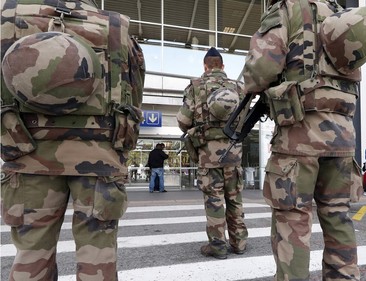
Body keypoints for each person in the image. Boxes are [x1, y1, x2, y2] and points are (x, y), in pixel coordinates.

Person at [0, 0, 145, 280]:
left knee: (31, 253)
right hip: (99, 157)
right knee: (98, 255)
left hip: (27, 152)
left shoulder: (7, 15)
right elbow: (134, 92)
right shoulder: (116, 24)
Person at [242, 0, 364, 279]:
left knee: (293, 220)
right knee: (338, 216)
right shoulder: (339, 13)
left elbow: (259, 72)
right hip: (343, 137)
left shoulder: (287, 9)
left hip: (299, 134)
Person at [176, 47, 248, 259]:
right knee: (235, 198)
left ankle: (218, 246)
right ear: (223, 66)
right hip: (233, 152)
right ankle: (240, 243)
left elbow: (183, 121)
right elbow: (244, 118)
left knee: (214, 198)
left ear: (205, 66)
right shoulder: (239, 87)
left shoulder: (196, 86)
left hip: (208, 155)